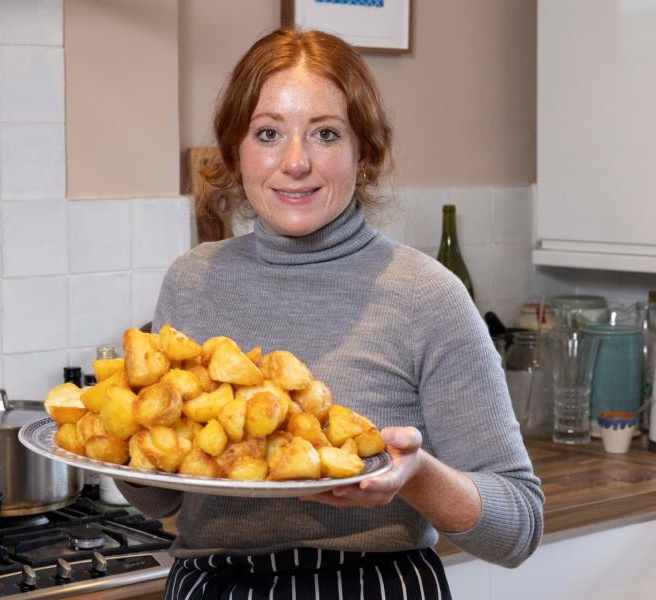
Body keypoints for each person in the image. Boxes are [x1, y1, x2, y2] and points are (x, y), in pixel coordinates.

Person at [117, 28, 543, 599]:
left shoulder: (427, 295)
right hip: (213, 587)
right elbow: (162, 495)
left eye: (324, 134)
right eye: (268, 133)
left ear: (364, 155)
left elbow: (518, 527)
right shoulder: (194, 280)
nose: (295, 162)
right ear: (235, 151)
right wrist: (126, 435)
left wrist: (417, 477)